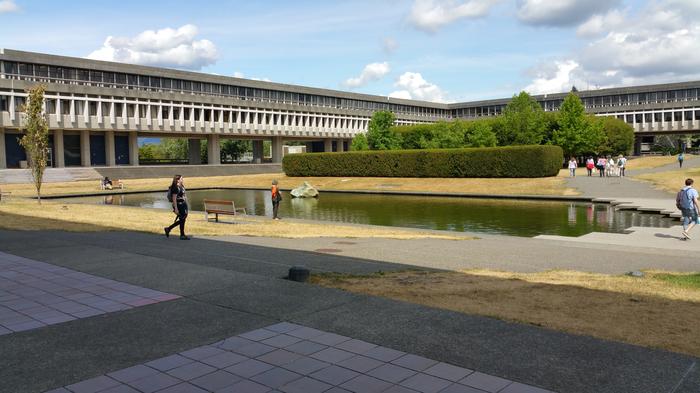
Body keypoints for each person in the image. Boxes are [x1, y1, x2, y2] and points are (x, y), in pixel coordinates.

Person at [164, 175, 190, 240]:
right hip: (179, 205)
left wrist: (186, 202)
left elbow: (184, 195)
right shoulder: (175, 188)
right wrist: (176, 208)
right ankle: (182, 235)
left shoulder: (182, 186)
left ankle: (168, 229)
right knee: (182, 219)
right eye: (181, 179)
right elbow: (174, 199)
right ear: (178, 180)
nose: (182, 180)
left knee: (182, 219)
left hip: (183, 204)